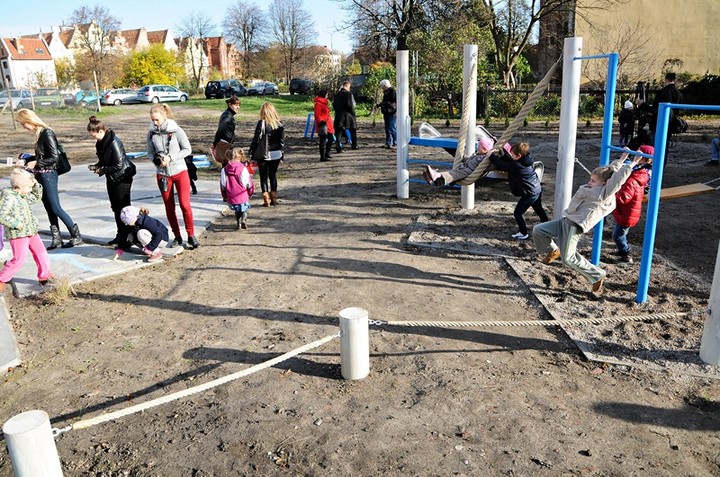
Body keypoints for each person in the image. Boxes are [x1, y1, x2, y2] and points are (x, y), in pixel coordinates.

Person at [532, 150, 644, 293]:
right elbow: (611, 171)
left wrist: (633, 162)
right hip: (565, 221)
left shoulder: (604, 194)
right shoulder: (598, 185)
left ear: (603, 184)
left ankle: (597, 275)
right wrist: (623, 158)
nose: (589, 182)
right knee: (539, 230)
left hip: (574, 226)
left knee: (568, 258)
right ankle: (554, 250)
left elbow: (617, 180)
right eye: (590, 179)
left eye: (593, 181)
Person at [14, 109, 83, 250]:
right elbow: (42, 155)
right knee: (49, 208)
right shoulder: (39, 134)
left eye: (23, 124)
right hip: (40, 174)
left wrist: (36, 163)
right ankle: (56, 239)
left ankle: (76, 235)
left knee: (56, 207)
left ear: (29, 121)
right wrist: (27, 160)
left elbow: (53, 157)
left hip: (49, 175)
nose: (24, 128)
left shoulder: (47, 133)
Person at [146, 103, 199, 249]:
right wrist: (157, 162)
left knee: (184, 205)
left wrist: (171, 158)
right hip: (163, 175)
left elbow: (187, 149)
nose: (155, 123)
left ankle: (191, 234)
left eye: (157, 120)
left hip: (180, 171)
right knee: (169, 207)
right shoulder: (151, 133)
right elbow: (149, 152)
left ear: (164, 116)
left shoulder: (176, 130)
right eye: (152, 120)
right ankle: (177, 236)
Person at [87, 116, 136, 250]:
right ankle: (120, 235)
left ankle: (129, 237)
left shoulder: (114, 142)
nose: (94, 138)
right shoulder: (100, 143)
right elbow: (104, 161)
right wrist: (97, 166)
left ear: (101, 131)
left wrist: (103, 169)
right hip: (111, 177)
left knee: (124, 209)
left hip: (122, 177)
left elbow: (119, 164)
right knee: (115, 208)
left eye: (95, 135)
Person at [0, 169, 54, 292]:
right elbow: (1, 214)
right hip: (18, 234)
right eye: (29, 187)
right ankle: (2, 278)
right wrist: (15, 223)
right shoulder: (8, 197)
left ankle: (44, 275)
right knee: (19, 259)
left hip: (31, 231)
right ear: (19, 186)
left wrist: (35, 186)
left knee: (41, 253)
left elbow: (36, 197)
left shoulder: (23, 195)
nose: (30, 190)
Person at [488, 142, 549, 240]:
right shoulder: (525, 160)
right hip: (536, 189)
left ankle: (523, 233)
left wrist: (490, 155)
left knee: (518, 213)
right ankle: (546, 226)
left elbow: (503, 165)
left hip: (530, 193)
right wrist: (502, 154)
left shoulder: (517, 165)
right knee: (538, 208)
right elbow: (510, 161)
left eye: (512, 154)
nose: (511, 155)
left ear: (519, 155)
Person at [611, 145, 653, 263]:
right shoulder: (639, 171)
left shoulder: (633, 180)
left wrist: (612, 194)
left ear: (646, 159)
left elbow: (624, 198)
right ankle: (622, 249)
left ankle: (626, 254)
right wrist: (625, 155)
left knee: (618, 236)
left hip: (627, 214)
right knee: (620, 234)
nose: (636, 157)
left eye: (639, 155)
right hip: (627, 212)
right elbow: (629, 165)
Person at [248, 102, 285, 206]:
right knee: (273, 175)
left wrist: (251, 152)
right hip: (276, 153)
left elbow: (256, 139)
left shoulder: (262, 123)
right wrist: (282, 155)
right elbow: (282, 141)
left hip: (263, 153)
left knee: (263, 176)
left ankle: (266, 198)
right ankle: (274, 197)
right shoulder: (279, 124)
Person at [423, 138, 497, 186]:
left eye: (480, 146)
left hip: (469, 172)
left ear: (485, 149)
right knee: (453, 173)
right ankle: (432, 179)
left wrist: (497, 155)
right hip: (464, 168)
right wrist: (461, 157)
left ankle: (437, 175)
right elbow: (468, 160)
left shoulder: (486, 158)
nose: (478, 147)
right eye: (479, 145)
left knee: (453, 174)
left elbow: (491, 166)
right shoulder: (476, 155)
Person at [220, 148, 255, 229]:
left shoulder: (224, 170)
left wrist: (225, 195)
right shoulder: (243, 169)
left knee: (237, 210)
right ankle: (244, 220)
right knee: (244, 209)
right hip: (242, 193)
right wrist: (250, 192)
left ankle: (238, 223)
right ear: (240, 157)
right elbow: (248, 183)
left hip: (231, 194)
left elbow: (223, 185)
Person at [650, 72, 683, 153]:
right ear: (675, 80)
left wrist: (642, 105)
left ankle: (653, 163)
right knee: (665, 145)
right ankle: (663, 163)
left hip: (659, 121)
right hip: (671, 122)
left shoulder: (662, 92)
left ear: (666, 80)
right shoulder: (679, 93)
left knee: (655, 144)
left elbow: (654, 109)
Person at [211, 96, 240, 166]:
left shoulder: (228, 115)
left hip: (226, 143)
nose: (238, 107)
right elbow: (221, 129)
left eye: (239, 105)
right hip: (224, 144)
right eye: (235, 105)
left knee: (227, 165)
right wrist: (215, 143)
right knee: (227, 166)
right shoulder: (228, 116)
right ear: (229, 104)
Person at [333, 81, 359, 152]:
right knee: (353, 130)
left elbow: (334, 104)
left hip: (339, 114)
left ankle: (338, 147)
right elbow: (350, 105)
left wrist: (337, 111)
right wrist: (353, 114)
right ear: (347, 86)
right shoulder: (349, 94)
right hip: (348, 114)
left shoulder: (336, 94)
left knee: (338, 131)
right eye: (349, 87)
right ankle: (354, 145)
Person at [313, 90, 335, 162]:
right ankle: (322, 156)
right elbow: (317, 114)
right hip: (323, 124)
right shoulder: (319, 104)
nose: (327, 96)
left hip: (327, 123)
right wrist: (321, 122)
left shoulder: (324, 103)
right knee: (323, 140)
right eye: (327, 95)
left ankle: (327, 153)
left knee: (330, 138)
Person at [378, 79, 397, 148]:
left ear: (385, 85)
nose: (381, 88)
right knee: (387, 128)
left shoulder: (392, 91)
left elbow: (393, 101)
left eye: (382, 86)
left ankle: (395, 142)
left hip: (392, 112)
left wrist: (383, 104)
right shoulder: (386, 92)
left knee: (392, 127)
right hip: (387, 111)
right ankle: (388, 142)